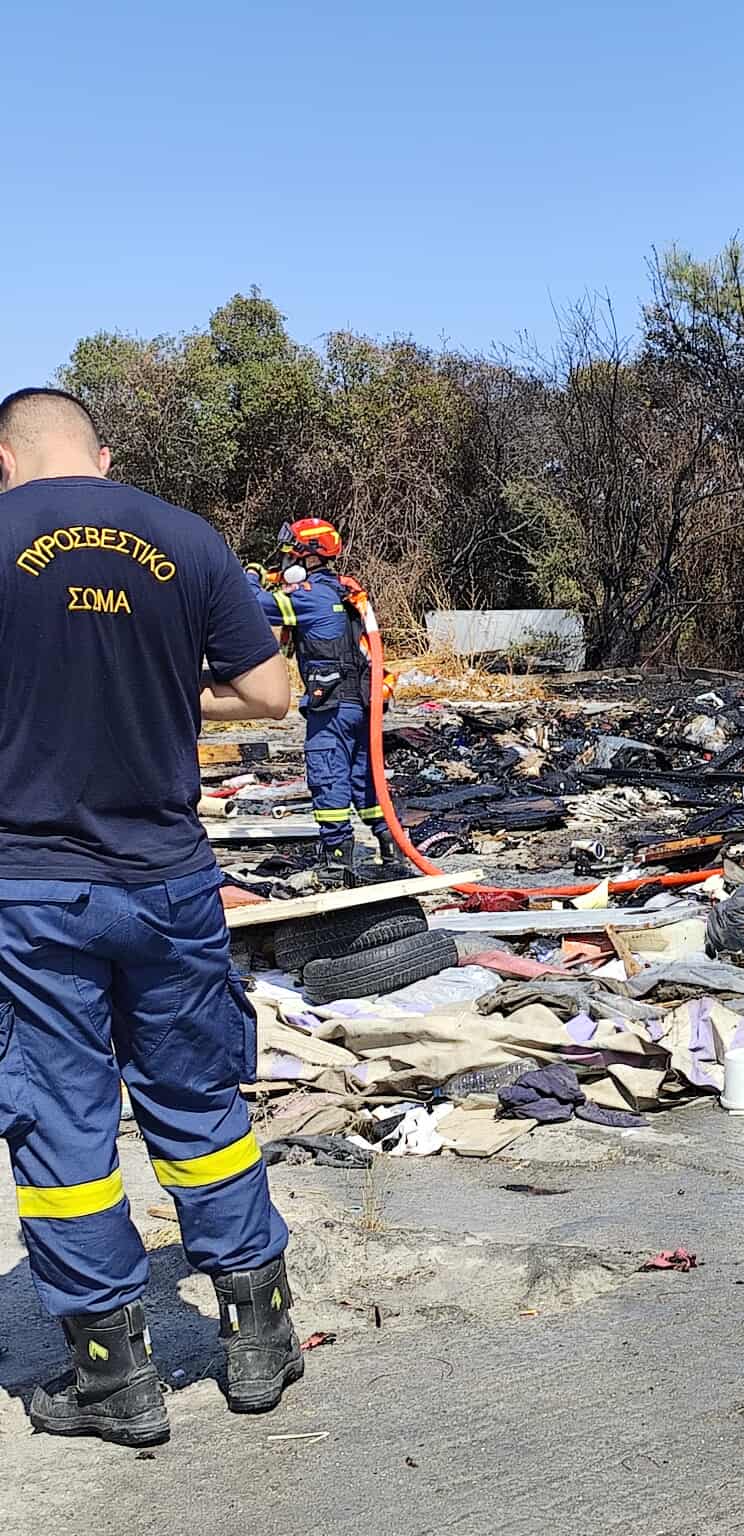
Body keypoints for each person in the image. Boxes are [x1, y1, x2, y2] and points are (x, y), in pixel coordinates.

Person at [0, 387, 305, 1447]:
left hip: (33, 891)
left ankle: (114, 1378)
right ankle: (259, 1337)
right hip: (170, 883)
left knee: (61, 1121)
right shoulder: (187, 539)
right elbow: (270, 695)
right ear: (102, 455)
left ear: (4, 459)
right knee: (194, 1098)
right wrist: (171, 687)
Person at [254, 519, 398, 880]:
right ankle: (389, 847)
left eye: (291, 554)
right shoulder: (341, 590)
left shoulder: (310, 595)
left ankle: (337, 858)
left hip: (331, 704)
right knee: (363, 776)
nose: (286, 560)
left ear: (310, 556)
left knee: (327, 773)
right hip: (360, 702)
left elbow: (256, 605)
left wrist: (250, 576)